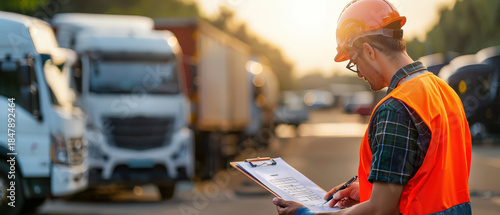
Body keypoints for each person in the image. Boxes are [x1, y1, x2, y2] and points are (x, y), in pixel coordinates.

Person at [273, 0, 472, 214]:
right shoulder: (443, 90)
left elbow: (380, 209)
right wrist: (368, 191)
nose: (358, 73)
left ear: (368, 51)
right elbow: (430, 179)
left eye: (354, 61)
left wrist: (309, 213)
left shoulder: (396, 107)